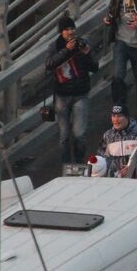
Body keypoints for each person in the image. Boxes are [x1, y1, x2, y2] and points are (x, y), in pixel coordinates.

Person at [45, 15, 99, 164]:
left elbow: (95, 67)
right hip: (62, 96)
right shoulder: (55, 47)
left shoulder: (83, 43)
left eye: (72, 28)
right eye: (66, 29)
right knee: (64, 136)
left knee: (79, 134)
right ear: (61, 32)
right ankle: (66, 166)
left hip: (80, 94)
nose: (70, 32)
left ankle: (79, 162)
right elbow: (49, 65)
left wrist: (87, 54)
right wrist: (66, 51)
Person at [100, 106, 137, 179]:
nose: (116, 119)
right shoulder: (108, 136)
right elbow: (102, 158)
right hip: (115, 183)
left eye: (119, 116)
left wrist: (133, 168)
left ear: (127, 117)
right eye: (113, 116)